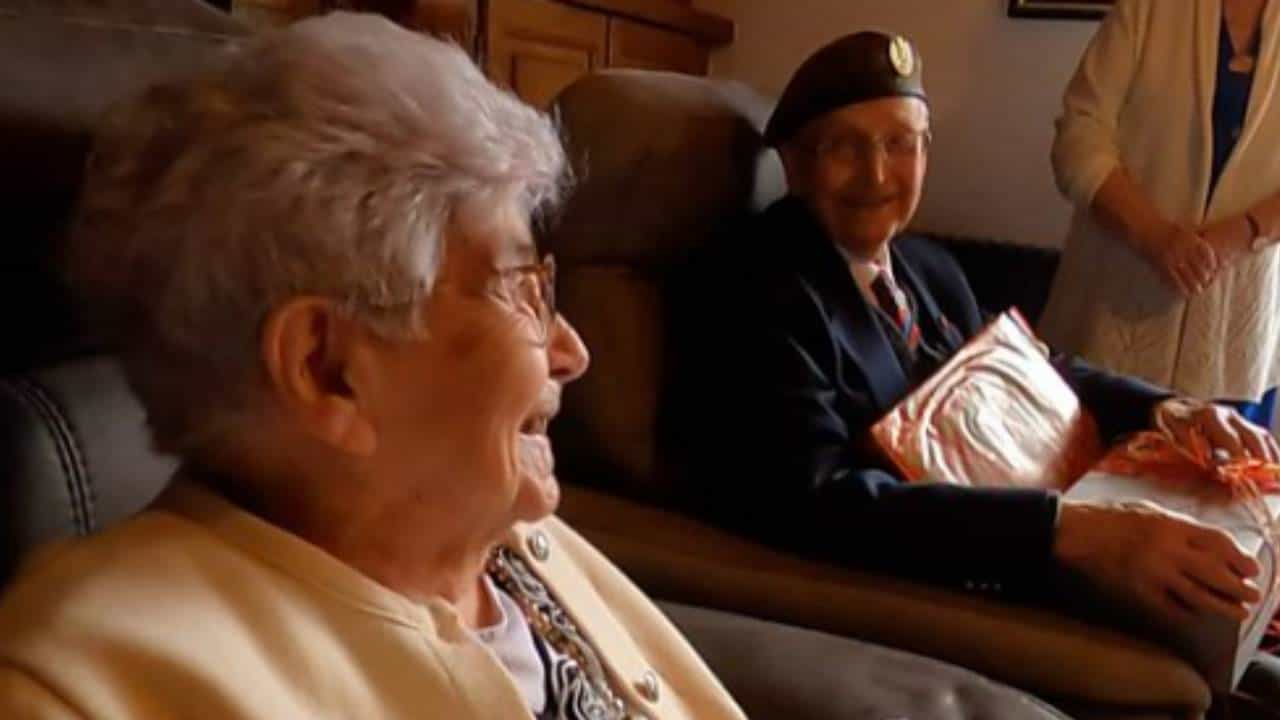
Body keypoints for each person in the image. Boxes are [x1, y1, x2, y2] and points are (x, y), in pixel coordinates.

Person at [0, 14, 746, 719]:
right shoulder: (89, 688)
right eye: (523, 292)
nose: (571, 352)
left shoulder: (495, 536)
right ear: (329, 370)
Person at [666, 29, 1280, 700]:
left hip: (1032, 536)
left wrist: (1169, 409)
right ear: (792, 162)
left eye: (900, 143)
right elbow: (818, 502)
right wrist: (1068, 533)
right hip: (939, 592)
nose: (877, 175)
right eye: (843, 146)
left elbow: (1038, 367)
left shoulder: (925, 267)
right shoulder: (756, 287)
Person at [1038, 0, 1280, 428]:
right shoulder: (1147, 8)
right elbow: (1079, 137)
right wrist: (1153, 235)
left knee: (1224, 470)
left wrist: (1242, 234)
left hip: (1234, 352)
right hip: (1107, 339)